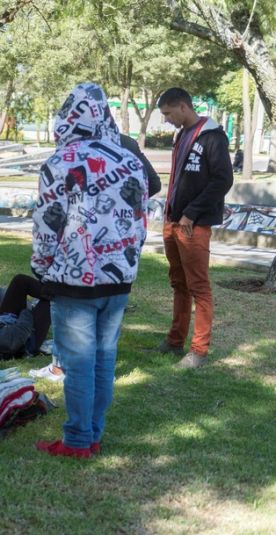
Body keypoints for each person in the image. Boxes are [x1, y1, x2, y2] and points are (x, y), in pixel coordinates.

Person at [31, 82, 148, 458]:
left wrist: (42, 267)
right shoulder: (131, 161)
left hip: (74, 281)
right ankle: (93, 434)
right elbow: (140, 221)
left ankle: (78, 440)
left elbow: (48, 223)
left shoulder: (60, 162)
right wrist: (128, 264)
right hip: (119, 278)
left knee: (79, 364)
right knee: (104, 359)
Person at [30, 132, 161, 383]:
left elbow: (51, 210)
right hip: (107, 253)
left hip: (87, 248)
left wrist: (115, 204)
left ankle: (66, 368)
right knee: (99, 326)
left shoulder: (94, 146)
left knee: (77, 316)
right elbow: (151, 184)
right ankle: (87, 372)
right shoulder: (122, 145)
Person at [155, 87, 233, 369]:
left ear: (183, 107)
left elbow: (223, 180)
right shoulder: (181, 136)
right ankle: (174, 341)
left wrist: (191, 214)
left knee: (199, 288)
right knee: (178, 284)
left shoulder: (212, 136)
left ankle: (198, 352)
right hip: (173, 222)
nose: (166, 120)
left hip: (193, 225)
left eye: (167, 114)